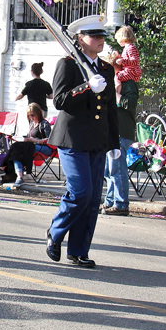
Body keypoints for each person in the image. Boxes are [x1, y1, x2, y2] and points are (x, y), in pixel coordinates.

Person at [44, 16, 119, 268]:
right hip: (72, 139)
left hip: (97, 140)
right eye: (94, 36)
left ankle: (78, 250)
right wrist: (87, 87)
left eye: (102, 36)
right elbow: (60, 101)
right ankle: (55, 232)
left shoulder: (107, 69)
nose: (100, 40)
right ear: (79, 39)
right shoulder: (69, 64)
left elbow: (111, 108)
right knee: (81, 192)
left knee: (93, 197)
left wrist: (115, 142)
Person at [102, 26, 140, 216]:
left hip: (122, 132)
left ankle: (121, 204)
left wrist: (116, 98)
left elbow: (129, 103)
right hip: (113, 132)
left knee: (117, 169)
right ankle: (110, 201)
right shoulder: (118, 81)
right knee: (110, 170)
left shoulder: (128, 82)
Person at [0, 102, 52, 187]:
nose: (31, 118)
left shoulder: (44, 124)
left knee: (16, 147)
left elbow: (49, 140)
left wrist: (34, 140)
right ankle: (19, 177)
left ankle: (2, 168)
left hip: (45, 148)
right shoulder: (32, 124)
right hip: (31, 146)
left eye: (33, 115)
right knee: (16, 149)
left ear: (38, 113)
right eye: (29, 116)